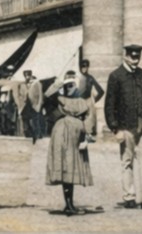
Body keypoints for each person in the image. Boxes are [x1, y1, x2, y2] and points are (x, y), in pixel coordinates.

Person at [104, 44, 142, 210]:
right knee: (127, 162)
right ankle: (129, 197)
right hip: (126, 127)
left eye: (137, 57)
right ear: (125, 56)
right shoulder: (116, 76)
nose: (135, 60)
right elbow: (109, 105)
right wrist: (115, 129)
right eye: (132, 57)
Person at [44, 70, 93, 217]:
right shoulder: (58, 99)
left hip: (76, 137)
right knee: (65, 167)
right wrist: (59, 82)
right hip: (61, 136)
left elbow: (87, 119)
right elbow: (46, 96)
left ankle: (70, 204)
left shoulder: (82, 100)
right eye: (67, 85)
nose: (69, 88)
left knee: (73, 167)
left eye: (72, 85)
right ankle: (69, 204)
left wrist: (86, 138)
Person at [73, 57, 103, 140]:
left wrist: (94, 100)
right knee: (78, 118)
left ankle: (88, 135)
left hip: (88, 101)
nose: (84, 69)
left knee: (89, 119)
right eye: (82, 67)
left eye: (86, 67)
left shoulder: (90, 78)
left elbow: (101, 91)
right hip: (79, 101)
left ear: (88, 67)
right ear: (80, 67)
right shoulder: (76, 78)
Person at [21, 69, 45, 142]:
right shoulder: (24, 83)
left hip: (35, 104)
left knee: (36, 120)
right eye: (25, 75)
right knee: (26, 118)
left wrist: (39, 105)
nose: (27, 77)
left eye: (28, 75)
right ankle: (29, 133)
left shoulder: (37, 83)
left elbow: (40, 95)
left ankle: (38, 134)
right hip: (28, 104)